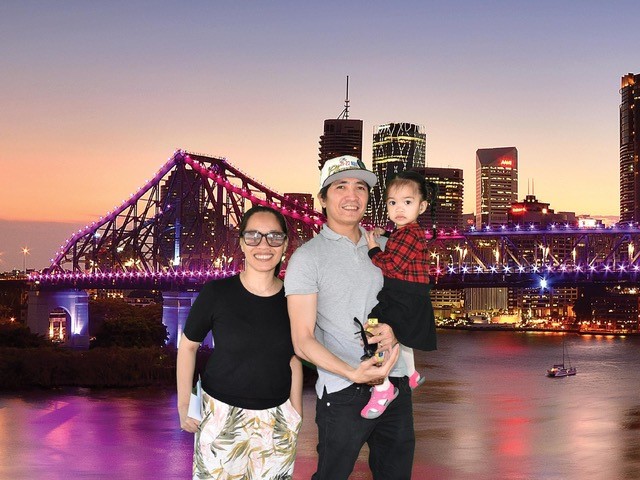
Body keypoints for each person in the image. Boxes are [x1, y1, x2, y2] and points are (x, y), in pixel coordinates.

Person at [285, 155, 413, 480]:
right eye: (341, 186)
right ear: (323, 198)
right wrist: (352, 374)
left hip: (395, 386)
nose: (352, 195)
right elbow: (302, 341)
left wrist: (399, 331)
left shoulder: (386, 248)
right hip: (343, 392)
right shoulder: (307, 258)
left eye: (360, 187)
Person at [177, 205, 303, 480]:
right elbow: (188, 346)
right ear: (242, 244)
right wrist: (184, 404)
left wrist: (295, 413)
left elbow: (294, 357)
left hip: (277, 421)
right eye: (253, 236)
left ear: (285, 245)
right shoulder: (217, 293)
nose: (264, 245)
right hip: (220, 416)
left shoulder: (295, 299)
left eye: (274, 237)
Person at [360, 169, 437, 419]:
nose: (398, 208)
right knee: (400, 335)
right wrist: (386, 234)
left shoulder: (410, 234)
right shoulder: (408, 232)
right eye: (393, 202)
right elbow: (401, 242)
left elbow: (392, 265)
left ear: (422, 207)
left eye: (407, 202)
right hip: (409, 295)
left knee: (373, 329)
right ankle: (412, 375)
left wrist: (373, 249)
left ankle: (383, 387)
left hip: (402, 295)